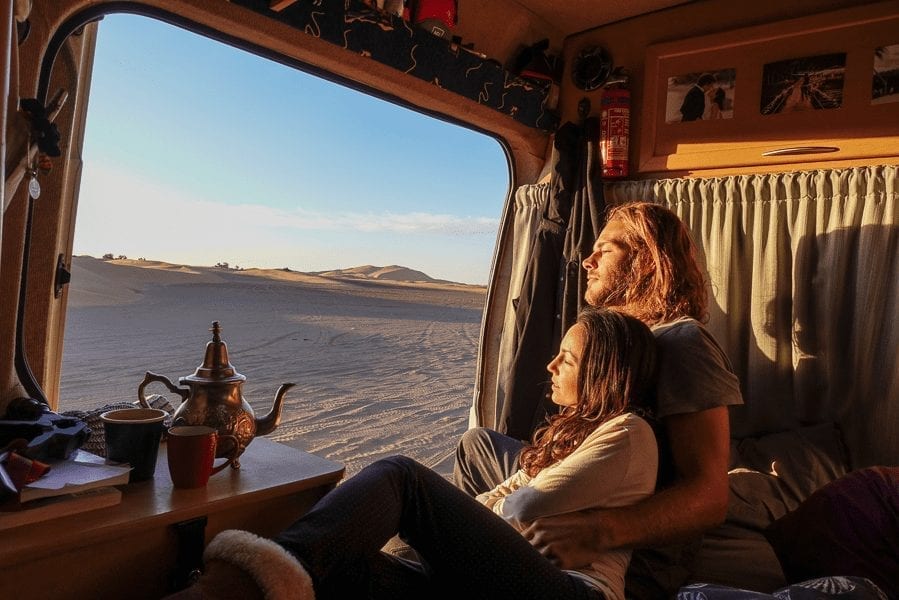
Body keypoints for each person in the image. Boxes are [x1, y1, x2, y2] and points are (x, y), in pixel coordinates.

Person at [173, 308, 659, 600]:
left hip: (574, 591)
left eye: (568, 359)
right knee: (349, 569)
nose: (551, 365)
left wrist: (445, 525)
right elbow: (517, 489)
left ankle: (237, 585)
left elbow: (523, 506)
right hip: (517, 576)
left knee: (403, 478)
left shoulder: (629, 433)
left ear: (602, 373)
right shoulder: (574, 435)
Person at [454, 202, 744, 598]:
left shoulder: (682, 344)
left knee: (414, 485)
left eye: (606, 249)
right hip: (597, 482)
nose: (587, 260)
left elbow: (709, 496)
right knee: (478, 445)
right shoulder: (624, 339)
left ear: (647, 259)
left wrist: (601, 532)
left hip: (636, 553)